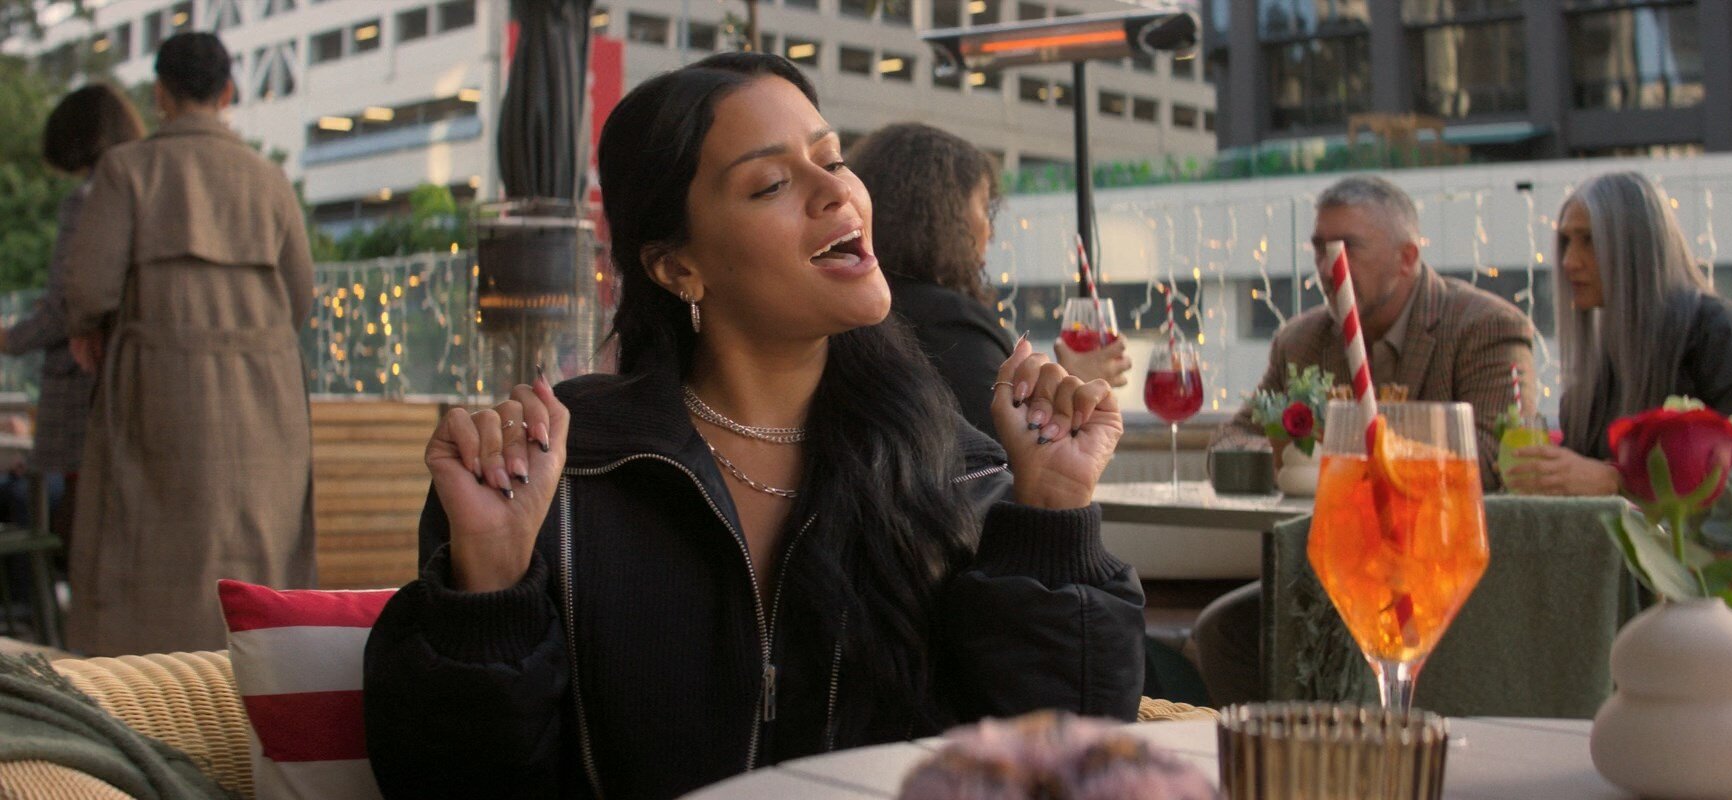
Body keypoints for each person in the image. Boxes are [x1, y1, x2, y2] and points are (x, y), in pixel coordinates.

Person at [362, 53, 1145, 799]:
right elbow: (458, 785)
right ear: (677, 267)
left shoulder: (956, 471)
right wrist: (490, 591)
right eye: (771, 183)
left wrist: (1053, 512)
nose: (836, 191)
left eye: (832, 159)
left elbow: (1065, 760)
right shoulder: (561, 476)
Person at [1194, 174, 1538, 706]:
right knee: (1223, 632)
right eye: (1318, 247)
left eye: (1346, 246)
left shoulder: (1486, 328)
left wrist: (1356, 456)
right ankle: (1303, 752)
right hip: (1341, 571)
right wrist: (1300, 458)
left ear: (1407, 258)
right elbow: (1230, 443)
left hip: (1444, 578)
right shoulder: (1301, 341)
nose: (1326, 265)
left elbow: (1495, 459)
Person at [61, 32, 316, 656]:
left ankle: (147, 696)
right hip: (265, 393)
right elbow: (300, 295)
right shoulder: (270, 179)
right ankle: (251, 682)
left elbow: (89, 287)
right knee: (260, 548)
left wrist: (87, 328)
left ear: (160, 94)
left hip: (159, 383)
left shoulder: (128, 170)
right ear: (228, 92)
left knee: (142, 548)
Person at [846, 122, 1129, 446]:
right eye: (984, 207)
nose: (990, 233)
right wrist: (1075, 388)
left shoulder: (860, 312)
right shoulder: (950, 322)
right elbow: (1006, 454)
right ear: (944, 216)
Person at [1504, 171, 1732, 496]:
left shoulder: (1717, 333)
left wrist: (1618, 481)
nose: (1568, 261)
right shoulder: (1605, 361)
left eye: (1589, 240)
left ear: (1636, 248)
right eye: (1566, 242)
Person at [0, 85, 145, 556]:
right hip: (135, 377)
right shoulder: (148, 190)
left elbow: (67, 304)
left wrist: (10, 339)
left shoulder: (87, 200)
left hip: (80, 381)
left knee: (77, 523)